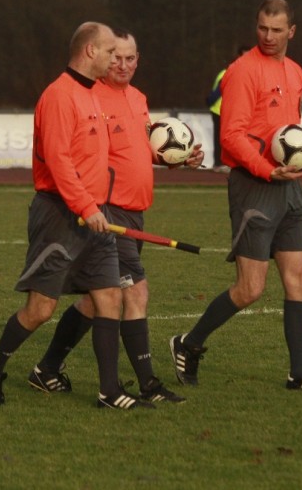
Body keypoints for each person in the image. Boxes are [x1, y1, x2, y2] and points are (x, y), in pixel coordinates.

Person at [0, 22, 152, 410]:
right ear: (90, 51)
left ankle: (109, 391)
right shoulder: (58, 96)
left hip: (95, 216)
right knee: (40, 309)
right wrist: (86, 208)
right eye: (109, 52)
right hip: (59, 215)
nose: (114, 60)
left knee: (109, 297)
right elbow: (58, 162)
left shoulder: (92, 95)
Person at [170, 0, 302, 392]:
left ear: (291, 31)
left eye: (277, 30)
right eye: (262, 28)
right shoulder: (243, 71)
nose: (268, 36)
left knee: (297, 277)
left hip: (289, 187)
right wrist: (267, 169)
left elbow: (292, 131)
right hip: (253, 186)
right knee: (251, 288)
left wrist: (298, 163)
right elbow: (231, 136)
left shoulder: (296, 71)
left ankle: (299, 373)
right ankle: (189, 343)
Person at [29, 30, 204, 404]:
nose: (122, 65)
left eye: (130, 58)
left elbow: (137, 150)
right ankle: (147, 384)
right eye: (116, 57)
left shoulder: (137, 98)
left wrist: (175, 158)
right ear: (104, 57)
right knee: (135, 292)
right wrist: (89, 206)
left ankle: (47, 368)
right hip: (108, 211)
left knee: (97, 302)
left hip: (136, 210)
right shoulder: (92, 96)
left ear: (139, 59)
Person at [206, 45, 251, 172]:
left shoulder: (241, 72)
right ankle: (219, 164)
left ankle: (224, 163)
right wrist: (210, 102)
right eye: (244, 55)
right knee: (222, 138)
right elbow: (216, 94)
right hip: (219, 110)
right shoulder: (229, 72)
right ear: (238, 56)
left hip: (228, 110)